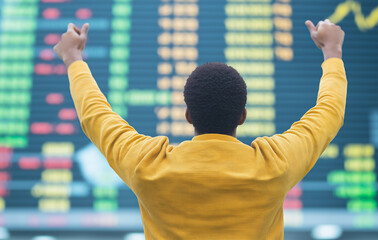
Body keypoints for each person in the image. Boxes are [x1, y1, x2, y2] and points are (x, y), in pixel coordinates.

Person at [54, 19, 346, 239]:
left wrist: (73, 60)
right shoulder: (275, 164)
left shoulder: (148, 165)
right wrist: (332, 51)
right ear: (242, 116)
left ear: (188, 115)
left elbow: (96, 115)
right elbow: (328, 113)